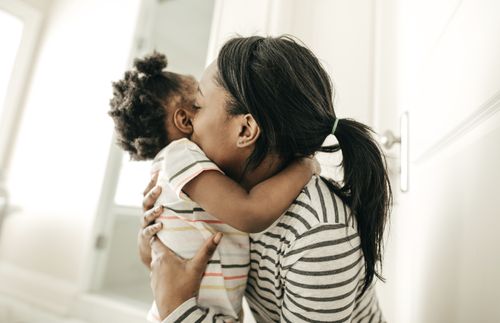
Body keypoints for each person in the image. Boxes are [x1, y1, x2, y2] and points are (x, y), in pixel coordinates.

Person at [140, 35, 392, 322]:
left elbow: (175, 299)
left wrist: (176, 307)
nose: (189, 123)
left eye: (197, 106)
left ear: (245, 130)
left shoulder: (319, 234)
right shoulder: (228, 196)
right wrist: (155, 245)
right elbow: (183, 264)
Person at [108, 52, 318, 322]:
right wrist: (304, 166)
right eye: (199, 100)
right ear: (185, 120)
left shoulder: (178, 167)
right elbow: (250, 211)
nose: (204, 102)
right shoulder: (181, 155)